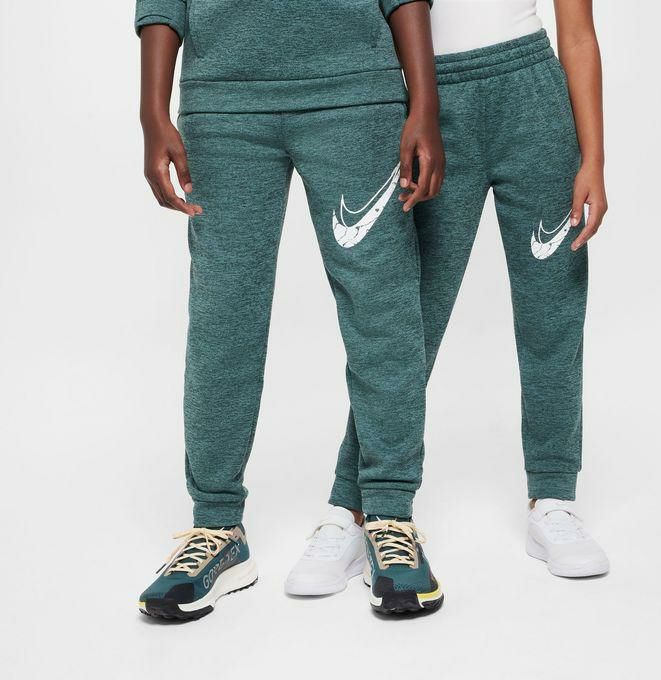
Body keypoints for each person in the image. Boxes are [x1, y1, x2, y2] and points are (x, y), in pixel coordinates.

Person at [287, 0, 610, 604]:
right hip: (430, 98)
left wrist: (593, 156)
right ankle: (353, 506)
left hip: (532, 95)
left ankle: (554, 497)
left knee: (552, 312)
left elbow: (578, 34)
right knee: (408, 322)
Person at [133, 0, 445, 621]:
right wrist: (152, 112)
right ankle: (217, 525)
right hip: (222, 104)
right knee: (223, 318)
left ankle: (389, 515)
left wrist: (424, 103)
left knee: (380, 309)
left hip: (356, 92)